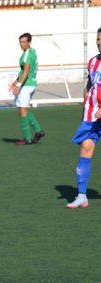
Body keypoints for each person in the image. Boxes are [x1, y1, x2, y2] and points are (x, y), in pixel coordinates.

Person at [66, 28, 101, 209]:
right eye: (98, 39)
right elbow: (90, 85)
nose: (99, 42)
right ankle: (81, 196)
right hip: (92, 115)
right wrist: (84, 109)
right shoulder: (93, 62)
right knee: (86, 148)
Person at [8, 33, 45, 146]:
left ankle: (27, 138)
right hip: (30, 84)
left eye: (24, 42)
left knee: (22, 111)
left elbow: (26, 71)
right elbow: (23, 71)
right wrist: (15, 83)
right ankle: (38, 131)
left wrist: (18, 86)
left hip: (26, 85)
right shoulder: (32, 52)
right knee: (23, 110)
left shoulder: (27, 54)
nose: (22, 44)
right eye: (20, 42)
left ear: (29, 42)